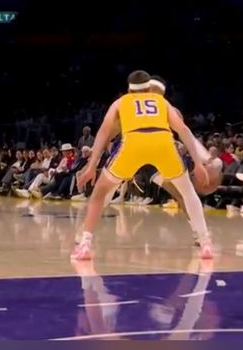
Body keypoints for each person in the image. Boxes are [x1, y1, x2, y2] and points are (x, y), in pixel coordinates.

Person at [71, 70, 214, 261]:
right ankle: (204, 238)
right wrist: (200, 161)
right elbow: (184, 131)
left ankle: (85, 238)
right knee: (184, 192)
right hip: (159, 150)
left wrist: (93, 163)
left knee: (106, 190)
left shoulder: (126, 103)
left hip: (135, 150)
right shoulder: (163, 105)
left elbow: (105, 133)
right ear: (148, 88)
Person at [144, 76, 222, 246]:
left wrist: (202, 158)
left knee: (183, 195)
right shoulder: (136, 108)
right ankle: (199, 233)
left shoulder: (170, 110)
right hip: (146, 158)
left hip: (166, 157)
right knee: (183, 195)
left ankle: (198, 232)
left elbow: (186, 135)